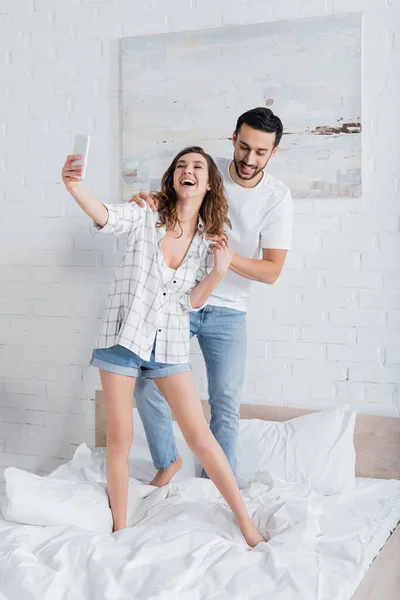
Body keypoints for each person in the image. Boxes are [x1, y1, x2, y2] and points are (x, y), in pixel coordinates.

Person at [61, 146, 265, 547]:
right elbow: (106, 215)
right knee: (119, 440)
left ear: (208, 184)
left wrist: (221, 272)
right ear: (174, 177)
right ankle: (120, 531)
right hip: (123, 338)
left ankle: (247, 525)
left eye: (197, 168)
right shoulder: (145, 215)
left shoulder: (210, 244)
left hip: (169, 343)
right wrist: (75, 186)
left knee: (201, 438)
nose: (187, 171)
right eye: (181, 166)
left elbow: (190, 303)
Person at [128, 107, 294, 485]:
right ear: (233, 139)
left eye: (261, 152)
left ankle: (217, 487)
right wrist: (144, 200)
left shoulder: (277, 199)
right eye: (244, 147)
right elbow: (170, 198)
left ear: (273, 153)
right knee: (144, 380)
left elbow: (272, 271)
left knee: (225, 405)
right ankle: (168, 462)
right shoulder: (206, 169)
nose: (249, 159)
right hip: (181, 302)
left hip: (229, 312)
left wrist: (228, 259)